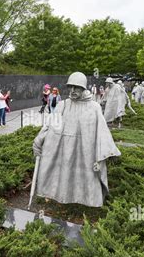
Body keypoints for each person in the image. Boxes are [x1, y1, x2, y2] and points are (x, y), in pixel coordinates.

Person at [32, 72, 120, 208]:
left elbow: (102, 132)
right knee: (63, 174)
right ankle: (60, 198)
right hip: (63, 149)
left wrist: (107, 152)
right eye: (70, 87)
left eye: (76, 87)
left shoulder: (94, 107)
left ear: (83, 88)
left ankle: (87, 202)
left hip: (86, 152)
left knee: (85, 177)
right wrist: (39, 140)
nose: (72, 91)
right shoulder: (63, 105)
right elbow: (49, 126)